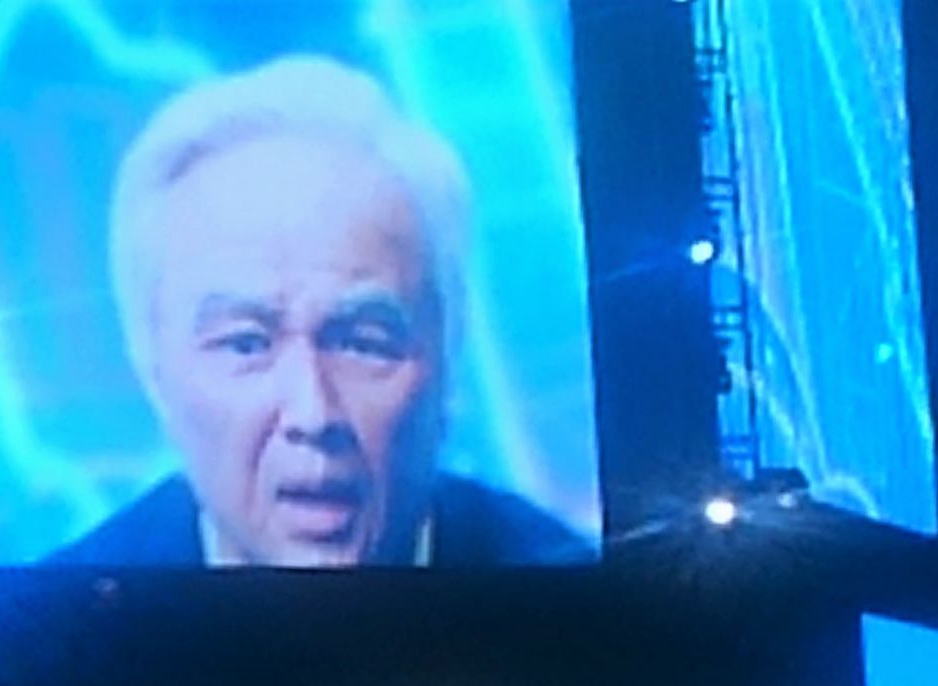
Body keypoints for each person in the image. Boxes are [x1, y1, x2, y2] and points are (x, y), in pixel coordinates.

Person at [50, 54, 592, 567]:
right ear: (154, 373)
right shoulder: (44, 621)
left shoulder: (587, 603)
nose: (313, 415)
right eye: (246, 343)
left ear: (448, 359)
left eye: (364, 344)